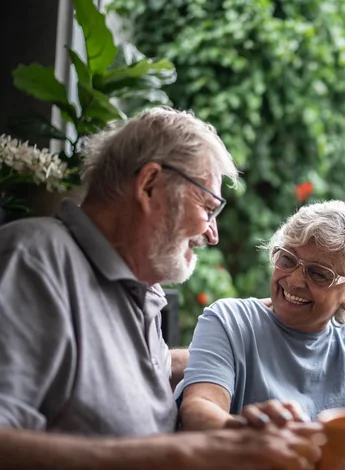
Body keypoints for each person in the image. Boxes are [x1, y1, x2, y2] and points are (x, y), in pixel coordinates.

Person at [0, 107, 323, 469]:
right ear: (149, 185)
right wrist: (184, 454)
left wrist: (235, 434)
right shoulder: (33, 261)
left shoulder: (139, 289)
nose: (212, 235)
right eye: (208, 207)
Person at [176, 200, 345, 431]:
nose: (295, 281)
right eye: (288, 260)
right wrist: (254, 435)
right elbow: (199, 412)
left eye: (319, 274)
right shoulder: (230, 321)